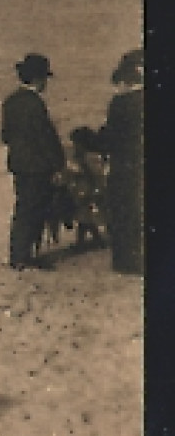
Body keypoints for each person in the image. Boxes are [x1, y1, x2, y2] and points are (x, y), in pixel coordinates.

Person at [73, 49, 144, 274]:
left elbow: (109, 140)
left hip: (127, 167)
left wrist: (84, 137)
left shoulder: (122, 104)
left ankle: (126, 262)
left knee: (124, 212)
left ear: (126, 80)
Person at [1, 53, 66, 271]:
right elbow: (45, 138)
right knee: (35, 210)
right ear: (38, 79)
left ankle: (19, 255)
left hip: (19, 163)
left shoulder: (10, 102)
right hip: (38, 166)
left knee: (23, 208)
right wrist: (57, 164)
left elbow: (5, 135)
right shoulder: (35, 104)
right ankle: (25, 257)